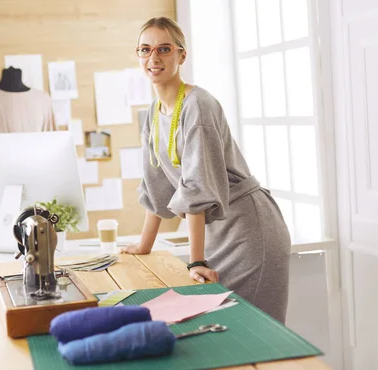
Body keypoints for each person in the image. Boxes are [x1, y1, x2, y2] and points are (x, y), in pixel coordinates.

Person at [120, 17, 291, 323]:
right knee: (222, 329)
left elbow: (196, 188)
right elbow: (158, 186)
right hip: (216, 232)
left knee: (254, 332)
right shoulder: (152, 113)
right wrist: (144, 246)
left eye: (163, 49)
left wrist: (196, 259)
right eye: (145, 50)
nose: (153, 58)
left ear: (181, 55)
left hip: (248, 231)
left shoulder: (197, 105)